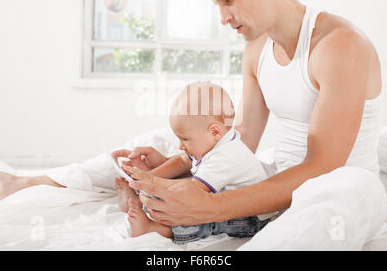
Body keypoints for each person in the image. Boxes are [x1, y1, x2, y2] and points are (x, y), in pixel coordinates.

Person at [0, 0, 387, 249]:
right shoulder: (256, 48)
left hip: (333, 189)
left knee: (345, 188)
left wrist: (209, 206)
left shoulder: (338, 45)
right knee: (172, 138)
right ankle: (26, 183)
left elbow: (321, 168)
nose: (223, 18)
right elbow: (241, 140)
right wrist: (180, 162)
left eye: (227, 0)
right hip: (275, 178)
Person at [115, 81, 273, 244]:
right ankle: (137, 201)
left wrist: (150, 182)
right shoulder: (213, 142)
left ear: (215, 132)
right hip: (220, 199)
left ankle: (156, 229)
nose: (180, 145)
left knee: (196, 216)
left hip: (249, 218)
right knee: (172, 191)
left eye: (185, 139)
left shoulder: (227, 156)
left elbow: (192, 192)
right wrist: (146, 176)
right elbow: (182, 161)